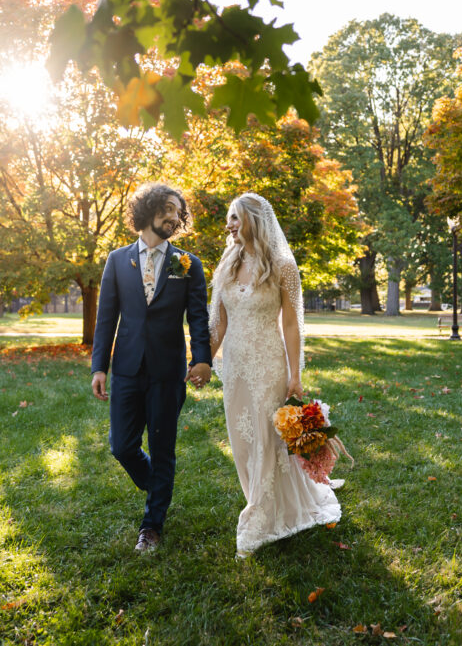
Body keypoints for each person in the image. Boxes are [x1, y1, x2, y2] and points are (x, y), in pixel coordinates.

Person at [209, 193, 341, 558]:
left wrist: (294, 375)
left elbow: (291, 325)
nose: (229, 226)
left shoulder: (283, 265)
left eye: (235, 218)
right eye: (229, 220)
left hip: (269, 363)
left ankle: (260, 516)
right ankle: (258, 496)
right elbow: (218, 322)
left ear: (254, 219)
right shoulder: (227, 264)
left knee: (267, 437)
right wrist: (201, 360)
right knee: (242, 438)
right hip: (235, 367)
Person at [91, 182, 212, 553]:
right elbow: (106, 317)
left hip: (166, 371)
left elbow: (197, 316)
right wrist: (100, 367)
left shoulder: (187, 263)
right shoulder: (116, 260)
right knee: (121, 446)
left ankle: (152, 524)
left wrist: (202, 358)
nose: (174, 217)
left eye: (179, 211)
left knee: (163, 448)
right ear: (148, 210)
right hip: (127, 367)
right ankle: (159, 485)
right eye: (168, 209)